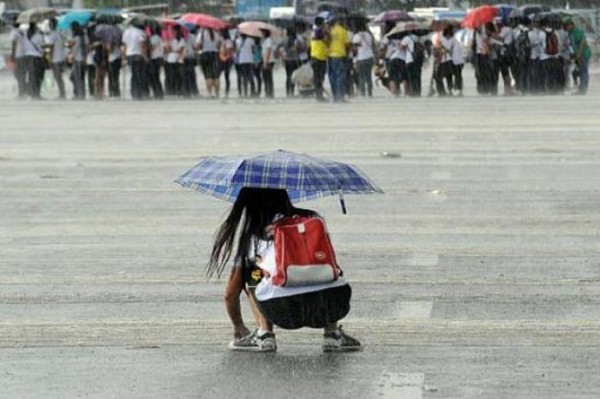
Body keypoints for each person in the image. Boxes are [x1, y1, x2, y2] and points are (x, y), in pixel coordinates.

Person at [209, 187, 361, 352]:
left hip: (281, 310)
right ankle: (332, 334)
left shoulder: (253, 236)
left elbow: (230, 294)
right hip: (332, 303)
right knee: (323, 261)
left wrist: (239, 327)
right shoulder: (314, 218)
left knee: (254, 270)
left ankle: (265, 334)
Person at [564, 17, 591, 95]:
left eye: (566, 25)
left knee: (583, 71)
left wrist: (579, 55)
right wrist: (573, 56)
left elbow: (583, 43)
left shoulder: (577, 32)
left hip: (583, 54)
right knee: (575, 72)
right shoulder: (570, 33)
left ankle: (582, 90)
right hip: (576, 55)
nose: (565, 27)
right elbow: (571, 46)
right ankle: (581, 87)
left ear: (571, 24)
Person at [122, 19, 148, 100]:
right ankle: (139, 93)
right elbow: (142, 45)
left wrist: (124, 58)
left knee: (133, 74)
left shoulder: (126, 32)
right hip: (138, 55)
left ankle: (133, 93)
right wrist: (145, 57)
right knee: (139, 75)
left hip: (129, 55)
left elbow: (124, 46)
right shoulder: (140, 32)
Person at [327, 17, 350, 102]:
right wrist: (347, 54)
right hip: (340, 55)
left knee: (333, 77)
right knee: (341, 76)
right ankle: (341, 96)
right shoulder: (343, 31)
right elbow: (347, 44)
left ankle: (335, 96)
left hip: (330, 55)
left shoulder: (330, 30)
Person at [21, 23, 45, 99]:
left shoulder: (25, 37)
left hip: (28, 57)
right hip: (37, 58)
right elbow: (43, 46)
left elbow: (24, 48)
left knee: (31, 76)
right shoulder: (39, 36)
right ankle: (37, 93)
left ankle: (32, 93)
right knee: (38, 76)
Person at [196, 28, 221, 98]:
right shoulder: (216, 33)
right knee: (216, 75)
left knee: (208, 75)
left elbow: (198, 45)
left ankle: (210, 93)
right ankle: (217, 93)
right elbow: (219, 45)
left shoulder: (202, 33)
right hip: (215, 54)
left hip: (205, 54)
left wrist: (198, 47)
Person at [352, 21, 375, 97]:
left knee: (361, 76)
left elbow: (355, 49)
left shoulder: (356, 36)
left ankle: (363, 92)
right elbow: (371, 45)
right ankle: (370, 92)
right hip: (370, 57)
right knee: (368, 76)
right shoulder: (369, 35)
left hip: (361, 58)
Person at [45, 18, 66, 99]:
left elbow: (51, 47)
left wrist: (49, 58)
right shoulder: (59, 34)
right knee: (59, 77)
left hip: (56, 59)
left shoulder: (52, 35)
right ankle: (62, 93)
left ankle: (62, 94)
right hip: (61, 58)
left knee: (58, 77)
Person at [310, 16, 328, 102]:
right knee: (319, 77)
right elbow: (326, 40)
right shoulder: (319, 31)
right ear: (321, 23)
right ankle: (319, 95)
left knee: (317, 77)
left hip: (315, 56)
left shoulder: (314, 31)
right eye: (324, 22)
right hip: (319, 57)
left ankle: (318, 94)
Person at [68, 22, 87, 100]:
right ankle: (81, 93)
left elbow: (72, 47)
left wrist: (68, 45)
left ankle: (79, 93)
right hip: (82, 59)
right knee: (80, 77)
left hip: (77, 59)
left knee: (75, 77)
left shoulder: (76, 38)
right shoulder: (83, 37)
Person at [165, 25, 185, 96]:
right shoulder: (171, 40)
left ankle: (179, 90)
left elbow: (180, 50)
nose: (173, 32)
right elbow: (168, 50)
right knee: (171, 76)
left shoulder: (181, 39)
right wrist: (168, 46)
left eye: (174, 31)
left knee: (178, 76)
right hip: (170, 59)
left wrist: (173, 50)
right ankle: (171, 90)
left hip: (178, 60)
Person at [282, 27, 301, 97]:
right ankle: (291, 91)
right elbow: (294, 49)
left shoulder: (285, 39)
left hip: (287, 60)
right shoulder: (293, 39)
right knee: (292, 76)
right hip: (293, 60)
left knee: (288, 76)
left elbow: (283, 49)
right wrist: (295, 48)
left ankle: (288, 92)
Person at [9, 21, 27, 98]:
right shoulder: (22, 32)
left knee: (18, 74)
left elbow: (14, 44)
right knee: (22, 75)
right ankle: (23, 91)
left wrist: (12, 56)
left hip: (18, 55)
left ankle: (21, 92)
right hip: (23, 55)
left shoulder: (14, 32)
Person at [147, 24, 164, 100]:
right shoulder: (159, 37)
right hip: (159, 58)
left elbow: (152, 48)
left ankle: (157, 93)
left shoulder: (154, 38)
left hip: (155, 58)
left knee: (153, 76)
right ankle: (158, 92)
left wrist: (147, 45)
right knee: (156, 76)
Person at [183, 27, 199, 98]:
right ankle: (193, 90)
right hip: (190, 57)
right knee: (191, 75)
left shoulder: (179, 36)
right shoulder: (192, 36)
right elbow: (195, 47)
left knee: (185, 76)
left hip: (184, 58)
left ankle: (187, 91)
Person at [237, 33, 255, 98]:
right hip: (250, 60)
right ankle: (252, 92)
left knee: (244, 77)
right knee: (251, 76)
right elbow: (253, 50)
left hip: (242, 61)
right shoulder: (251, 40)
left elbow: (237, 51)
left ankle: (245, 92)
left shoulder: (238, 40)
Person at [219, 29, 235, 98]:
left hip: (227, 59)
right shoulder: (224, 41)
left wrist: (226, 57)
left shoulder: (228, 41)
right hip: (225, 59)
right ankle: (224, 91)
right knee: (225, 76)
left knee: (226, 75)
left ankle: (226, 91)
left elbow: (229, 51)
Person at [261, 29, 275, 98]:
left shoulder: (268, 40)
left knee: (268, 78)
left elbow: (268, 51)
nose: (261, 34)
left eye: (262, 32)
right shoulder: (265, 41)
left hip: (268, 61)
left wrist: (265, 62)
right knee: (266, 78)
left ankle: (270, 93)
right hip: (266, 61)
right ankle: (268, 92)